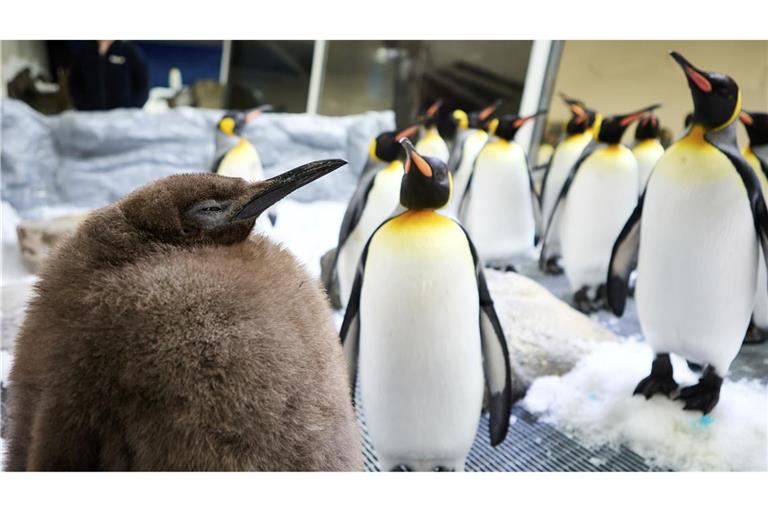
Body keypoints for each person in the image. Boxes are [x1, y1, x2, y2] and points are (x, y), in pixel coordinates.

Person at [68, 40, 149, 111]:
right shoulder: (84, 52)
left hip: (122, 117)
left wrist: (133, 108)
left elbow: (143, 83)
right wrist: (81, 105)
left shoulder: (129, 51)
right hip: (91, 116)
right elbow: (73, 82)